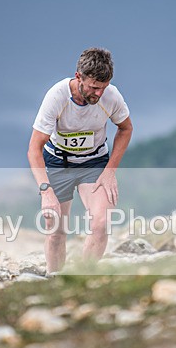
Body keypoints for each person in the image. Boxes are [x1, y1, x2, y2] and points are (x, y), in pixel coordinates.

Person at [27, 48, 133, 273]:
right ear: (78, 77)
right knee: (55, 227)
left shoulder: (111, 96)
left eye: (103, 88)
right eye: (94, 87)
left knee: (101, 224)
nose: (98, 94)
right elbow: (34, 149)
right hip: (58, 162)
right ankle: (55, 280)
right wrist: (46, 192)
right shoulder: (56, 96)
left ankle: (82, 278)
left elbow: (126, 128)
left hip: (94, 162)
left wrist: (110, 171)